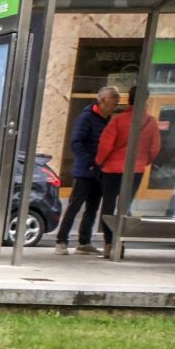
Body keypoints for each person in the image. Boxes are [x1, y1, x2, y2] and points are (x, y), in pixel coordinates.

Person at [93, 87, 161, 254]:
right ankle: (119, 241)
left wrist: (99, 162)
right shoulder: (151, 122)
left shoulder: (117, 120)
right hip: (135, 171)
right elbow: (155, 148)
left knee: (108, 205)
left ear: (129, 99)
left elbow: (105, 145)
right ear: (146, 99)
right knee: (125, 206)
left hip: (112, 169)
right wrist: (142, 162)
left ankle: (109, 243)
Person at [55, 86, 119, 255]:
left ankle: (84, 242)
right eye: (114, 97)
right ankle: (61, 241)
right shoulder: (87, 117)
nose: (117, 101)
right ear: (103, 99)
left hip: (100, 171)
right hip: (85, 171)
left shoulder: (109, 119)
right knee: (74, 206)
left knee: (92, 208)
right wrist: (89, 162)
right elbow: (76, 142)